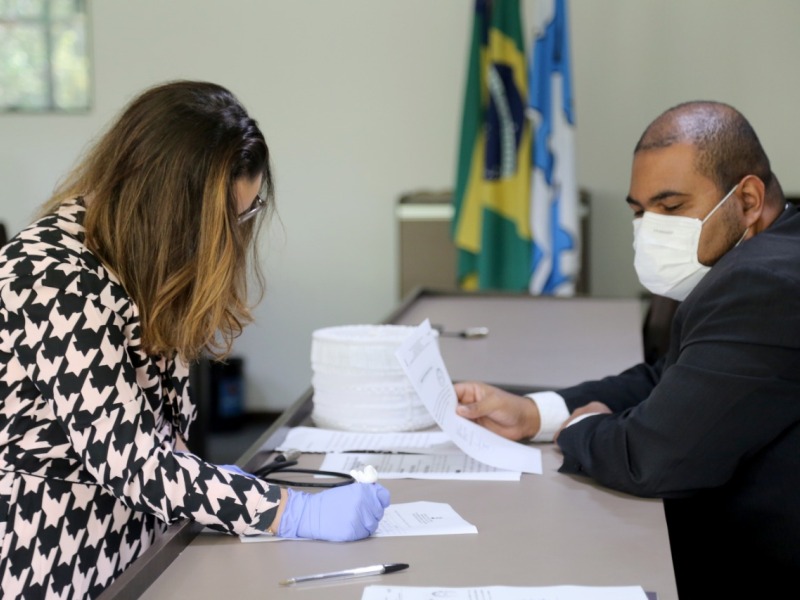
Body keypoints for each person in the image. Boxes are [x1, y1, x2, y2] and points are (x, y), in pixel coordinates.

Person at [0, 80, 390, 598]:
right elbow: (133, 462)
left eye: (246, 212)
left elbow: (166, 435)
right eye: (225, 218)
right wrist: (287, 511)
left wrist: (221, 491)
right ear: (167, 207)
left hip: (148, 547)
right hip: (55, 560)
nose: (232, 236)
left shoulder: (142, 257)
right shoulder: (50, 275)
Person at [454, 101, 800, 599]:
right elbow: (670, 377)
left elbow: (654, 458)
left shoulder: (764, 282)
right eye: (639, 211)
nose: (651, 227)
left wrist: (579, 432)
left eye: (672, 206)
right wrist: (535, 413)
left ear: (747, 199)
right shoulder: (763, 260)